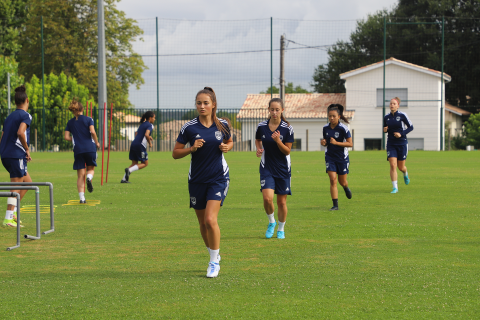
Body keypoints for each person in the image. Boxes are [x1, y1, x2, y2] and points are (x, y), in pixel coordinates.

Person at [172, 87, 233, 278]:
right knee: (202, 223)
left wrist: (226, 146)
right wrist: (191, 149)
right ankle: (213, 253)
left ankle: (214, 262)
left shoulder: (222, 124)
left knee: (210, 219)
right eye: (199, 103)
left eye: (206, 103)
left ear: (213, 104)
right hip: (197, 179)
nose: (202, 106)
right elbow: (175, 153)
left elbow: (230, 141)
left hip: (218, 178)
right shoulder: (189, 127)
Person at [255, 98, 294, 239]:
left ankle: (281, 229)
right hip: (267, 167)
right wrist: (259, 149)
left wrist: (278, 141)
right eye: (272, 109)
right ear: (269, 110)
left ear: (282, 110)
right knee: (267, 199)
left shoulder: (287, 128)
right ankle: (272, 221)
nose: (274, 112)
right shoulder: (261, 126)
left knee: (281, 202)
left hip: (283, 169)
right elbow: (258, 140)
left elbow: (287, 151)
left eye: (277, 109)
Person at [0, 85, 32, 227]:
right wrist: (27, 149)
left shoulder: (9, 116)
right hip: (16, 155)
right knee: (16, 186)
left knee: (28, 183)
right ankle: (8, 218)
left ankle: (13, 212)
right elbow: (20, 133)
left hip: (6, 154)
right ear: (27, 100)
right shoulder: (26, 115)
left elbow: (3, 135)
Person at [64, 99, 100, 203]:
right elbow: (92, 132)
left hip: (78, 149)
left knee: (80, 175)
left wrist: (75, 138)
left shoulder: (70, 122)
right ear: (82, 109)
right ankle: (89, 178)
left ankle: (82, 199)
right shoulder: (89, 119)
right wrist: (97, 142)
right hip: (90, 148)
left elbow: (66, 137)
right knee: (91, 169)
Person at [321, 104, 353, 211]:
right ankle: (335, 205)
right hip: (330, 157)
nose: (331, 118)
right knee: (333, 180)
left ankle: (345, 187)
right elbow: (326, 142)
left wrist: (337, 143)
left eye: (334, 116)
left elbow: (350, 144)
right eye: (330, 116)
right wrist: (324, 142)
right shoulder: (325, 128)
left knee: (342, 181)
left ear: (339, 116)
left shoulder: (343, 128)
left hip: (342, 158)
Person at [383, 97, 413, 193]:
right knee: (392, 165)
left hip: (402, 143)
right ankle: (395, 187)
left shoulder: (403, 115)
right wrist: (385, 130)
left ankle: (405, 173)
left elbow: (411, 127)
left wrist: (401, 134)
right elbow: (385, 128)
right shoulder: (386, 117)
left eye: (394, 104)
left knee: (401, 167)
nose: (392, 105)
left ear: (398, 106)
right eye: (391, 103)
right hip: (391, 143)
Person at [121, 111, 155, 183]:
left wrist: (149, 137)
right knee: (145, 163)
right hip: (140, 146)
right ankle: (129, 170)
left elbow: (137, 133)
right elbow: (146, 134)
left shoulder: (142, 124)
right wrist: (150, 143)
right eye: (154, 118)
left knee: (134, 163)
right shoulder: (150, 125)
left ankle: (124, 179)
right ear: (150, 118)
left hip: (134, 144)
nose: (154, 119)